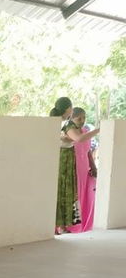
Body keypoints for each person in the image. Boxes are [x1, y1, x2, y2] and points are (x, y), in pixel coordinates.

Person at [65, 107, 98, 233]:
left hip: (84, 167)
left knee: (84, 194)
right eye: (79, 118)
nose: (82, 120)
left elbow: (88, 150)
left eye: (84, 117)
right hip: (73, 166)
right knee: (74, 195)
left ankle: (81, 225)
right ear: (71, 118)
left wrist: (93, 166)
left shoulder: (85, 131)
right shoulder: (69, 131)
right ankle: (69, 226)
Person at [50, 96, 77, 234]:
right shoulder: (61, 124)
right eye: (71, 107)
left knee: (65, 190)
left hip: (67, 157)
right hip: (61, 157)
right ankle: (56, 225)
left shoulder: (65, 123)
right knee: (60, 189)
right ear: (67, 109)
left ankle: (62, 225)